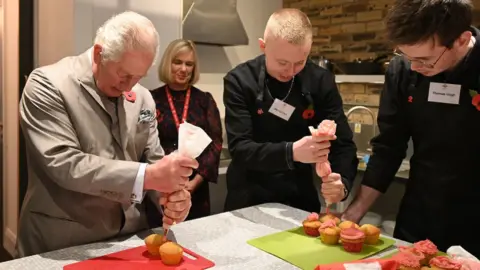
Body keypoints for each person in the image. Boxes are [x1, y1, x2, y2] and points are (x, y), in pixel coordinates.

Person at [17, 11, 196, 257]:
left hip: (130, 239)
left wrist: (172, 196)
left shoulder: (143, 99)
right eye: (124, 75)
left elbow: (153, 159)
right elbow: (64, 163)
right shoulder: (47, 84)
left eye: (139, 77)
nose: (130, 86)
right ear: (100, 53)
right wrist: (149, 177)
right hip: (62, 243)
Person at [342, 0, 480, 256]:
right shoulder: (403, 70)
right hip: (419, 212)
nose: (414, 67)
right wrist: (353, 213)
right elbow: (388, 147)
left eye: (425, 60)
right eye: (406, 56)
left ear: (462, 40)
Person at [223, 8, 358, 213]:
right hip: (247, 196)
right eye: (282, 62)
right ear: (263, 47)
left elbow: (343, 143)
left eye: (300, 63)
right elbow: (240, 149)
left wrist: (343, 183)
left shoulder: (320, 81)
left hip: (299, 196)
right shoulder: (240, 81)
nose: (290, 71)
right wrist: (292, 152)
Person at [150, 39, 222, 220]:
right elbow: (143, 143)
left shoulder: (204, 100)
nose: (183, 69)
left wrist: (194, 183)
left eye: (189, 64)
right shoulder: (151, 99)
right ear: (168, 63)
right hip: (160, 188)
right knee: (159, 240)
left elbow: (215, 144)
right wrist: (160, 179)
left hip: (195, 190)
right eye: (177, 62)